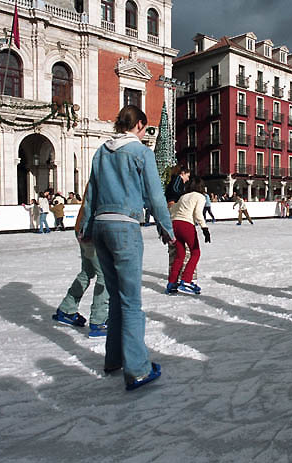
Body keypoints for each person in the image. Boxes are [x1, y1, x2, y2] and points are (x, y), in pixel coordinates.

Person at [78, 105, 174, 391]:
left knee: (116, 296)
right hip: (124, 226)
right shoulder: (141, 152)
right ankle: (138, 369)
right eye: (145, 128)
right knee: (131, 300)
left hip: (100, 225)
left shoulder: (101, 151)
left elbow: (92, 190)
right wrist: (166, 227)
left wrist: (85, 226)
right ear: (140, 125)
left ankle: (114, 359)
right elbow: (156, 196)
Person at [53, 185, 111, 337]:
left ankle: (67, 309)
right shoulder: (106, 176)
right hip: (92, 231)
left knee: (88, 271)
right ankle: (99, 319)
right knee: (105, 274)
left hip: (82, 228)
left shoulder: (99, 173)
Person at [166, 177, 211, 295]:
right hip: (186, 225)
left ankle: (171, 283)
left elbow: (173, 209)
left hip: (175, 224)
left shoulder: (183, 196)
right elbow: (197, 214)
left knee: (180, 255)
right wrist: (204, 228)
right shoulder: (200, 197)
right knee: (195, 252)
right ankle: (186, 280)